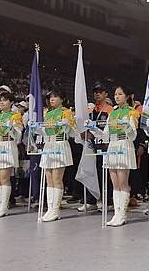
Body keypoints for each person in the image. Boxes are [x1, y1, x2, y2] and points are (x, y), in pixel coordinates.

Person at [88, 86, 139, 227]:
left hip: (124, 144)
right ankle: (116, 213)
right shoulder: (113, 112)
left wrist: (127, 126)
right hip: (112, 145)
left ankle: (122, 214)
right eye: (115, 94)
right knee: (115, 183)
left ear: (127, 96)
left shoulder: (132, 112)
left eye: (120, 94)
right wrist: (93, 128)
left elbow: (133, 135)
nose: (117, 97)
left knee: (123, 182)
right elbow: (105, 135)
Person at [36, 90, 75, 222]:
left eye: (55, 96)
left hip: (60, 144)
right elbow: (46, 132)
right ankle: (50, 208)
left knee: (57, 178)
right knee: (49, 179)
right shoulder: (48, 113)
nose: (52, 99)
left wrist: (67, 124)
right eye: (50, 97)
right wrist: (37, 129)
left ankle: (55, 210)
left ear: (62, 99)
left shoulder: (67, 112)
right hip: (49, 144)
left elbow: (73, 132)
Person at [76, 83, 113, 212]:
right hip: (91, 145)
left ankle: (107, 201)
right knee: (90, 170)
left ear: (106, 94)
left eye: (100, 92)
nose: (97, 94)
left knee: (104, 173)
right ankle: (90, 201)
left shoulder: (110, 110)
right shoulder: (90, 110)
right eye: (95, 92)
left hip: (105, 145)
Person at [0, 91, 23, 218]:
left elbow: (18, 135)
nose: (1, 102)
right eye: (0, 100)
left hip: (8, 144)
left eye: (5, 100)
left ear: (11, 102)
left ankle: (4, 206)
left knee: (4, 178)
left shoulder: (16, 116)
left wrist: (11, 128)